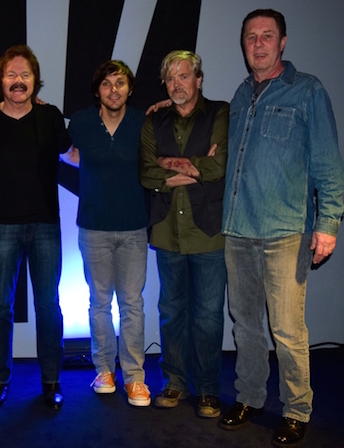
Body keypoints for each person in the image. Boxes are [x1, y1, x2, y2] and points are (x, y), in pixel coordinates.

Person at [218, 9, 344, 447]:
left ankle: (296, 409)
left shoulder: (306, 90)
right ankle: (250, 398)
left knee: (288, 329)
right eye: (251, 36)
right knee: (246, 325)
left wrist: (327, 224)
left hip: (286, 231)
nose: (258, 43)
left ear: (283, 42)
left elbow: (328, 164)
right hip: (238, 230)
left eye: (267, 35)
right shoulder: (239, 96)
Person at [0, 44, 71, 409]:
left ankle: (51, 381)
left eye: (25, 75)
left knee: (49, 307)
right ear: (0, 81)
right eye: (11, 74)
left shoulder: (50, 117)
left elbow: (75, 153)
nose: (18, 81)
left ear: (35, 82)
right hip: (0, 228)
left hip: (44, 227)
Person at [138, 50, 229, 418]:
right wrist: (191, 167)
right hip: (166, 232)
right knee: (171, 312)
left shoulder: (220, 113)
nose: (177, 83)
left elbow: (218, 165)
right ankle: (174, 383)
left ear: (199, 80)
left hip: (208, 232)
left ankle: (207, 389)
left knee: (207, 316)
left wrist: (167, 163)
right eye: (171, 78)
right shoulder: (153, 119)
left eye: (184, 76)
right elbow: (145, 172)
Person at [61, 60, 151, 406]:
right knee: (99, 303)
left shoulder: (143, 121)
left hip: (133, 226)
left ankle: (135, 378)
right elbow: (66, 152)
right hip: (94, 226)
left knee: (132, 304)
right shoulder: (82, 122)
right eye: (107, 84)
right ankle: (104, 370)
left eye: (121, 83)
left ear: (129, 88)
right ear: (97, 89)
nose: (114, 90)